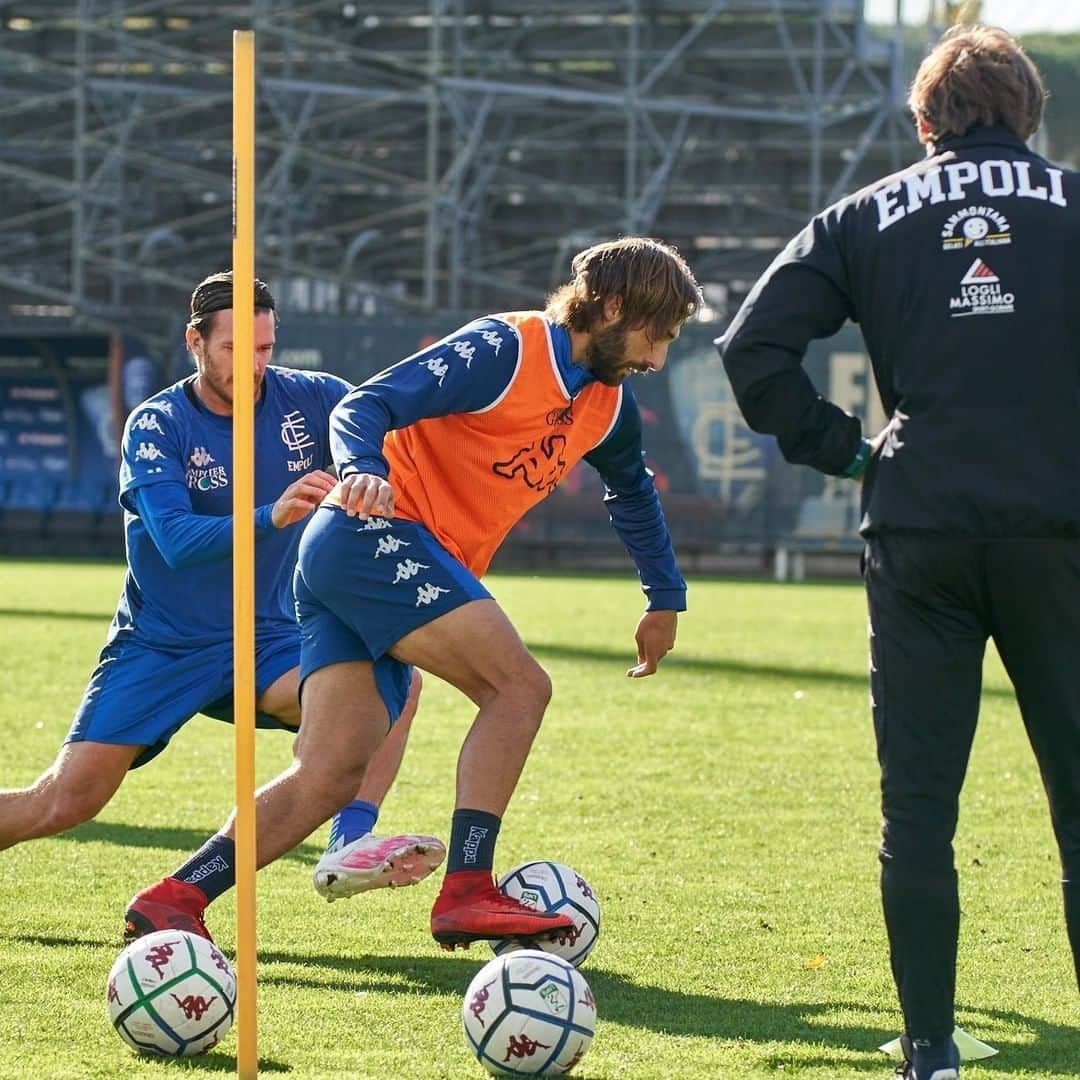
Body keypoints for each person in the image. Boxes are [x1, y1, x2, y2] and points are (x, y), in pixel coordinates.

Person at [125, 236, 703, 951]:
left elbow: (633, 491)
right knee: (518, 688)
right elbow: (363, 406)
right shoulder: (503, 349)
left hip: (361, 560)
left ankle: (173, 896)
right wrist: (364, 469)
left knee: (331, 772)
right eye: (658, 334)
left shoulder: (606, 403)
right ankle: (467, 888)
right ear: (612, 306)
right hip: (373, 535)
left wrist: (664, 595)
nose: (657, 357)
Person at [718, 25, 1079, 1080]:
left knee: (919, 803)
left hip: (917, 522)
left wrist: (847, 451)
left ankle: (928, 1050)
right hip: (1059, 528)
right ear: (1031, 116)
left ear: (922, 126)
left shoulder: (865, 213)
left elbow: (750, 349)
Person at [0, 272, 444, 936]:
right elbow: (176, 541)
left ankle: (349, 841)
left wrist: (367, 470)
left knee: (392, 684)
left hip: (271, 639)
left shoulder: (314, 400)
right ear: (196, 342)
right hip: (164, 644)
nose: (255, 364)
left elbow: (375, 427)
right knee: (65, 801)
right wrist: (275, 512)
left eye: (265, 347)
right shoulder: (157, 423)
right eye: (237, 348)